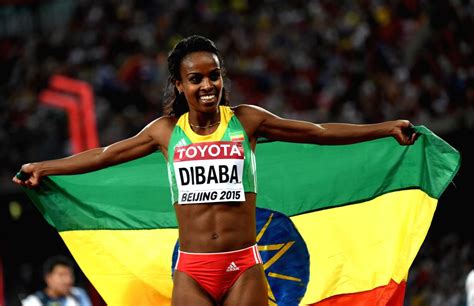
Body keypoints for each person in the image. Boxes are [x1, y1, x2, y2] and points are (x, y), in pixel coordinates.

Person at [13, 35, 417, 306]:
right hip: (192, 269)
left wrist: (384, 129)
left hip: (243, 265)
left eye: (214, 75)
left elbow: (317, 131)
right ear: (179, 84)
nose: (208, 85)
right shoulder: (165, 132)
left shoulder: (247, 121)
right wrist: (45, 167)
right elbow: (105, 154)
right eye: (196, 79)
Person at [21, 255, 92, 306]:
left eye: (70, 275)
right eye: (61, 275)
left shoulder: (78, 294)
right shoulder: (33, 302)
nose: (68, 280)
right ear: (48, 278)